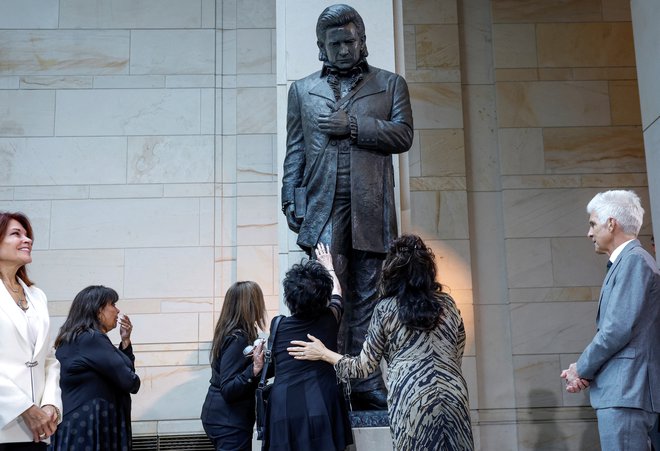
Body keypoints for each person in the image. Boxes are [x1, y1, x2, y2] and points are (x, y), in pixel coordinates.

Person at [281, 3, 414, 410]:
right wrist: (290, 195)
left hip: (370, 207)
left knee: (368, 296)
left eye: (349, 42)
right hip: (322, 206)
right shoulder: (302, 90)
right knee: (326, 292)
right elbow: (296, 150)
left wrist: (354, 126)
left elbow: (403, 134)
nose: (342, 49)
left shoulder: (390, 84)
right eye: (334, 43)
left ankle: (366, 379)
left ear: (363, 42)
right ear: (321, 47)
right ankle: (328, 381)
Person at [288, 235, 474, 450]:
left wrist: (323, 353)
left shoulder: (385, 308)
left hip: (412, 399)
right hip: (454, 394)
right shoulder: (448, 303)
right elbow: (457, 350)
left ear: (392, 271)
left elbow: (363, 367)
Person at [560, 190, 660, 451]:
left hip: (627, 393)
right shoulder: (628, 262)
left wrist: (581, 369)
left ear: (611, 223)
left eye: (593, 224)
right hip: (626, 392)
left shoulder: (634, 262)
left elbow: (615, 330)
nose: (589, 233)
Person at [265, 243, 353, 451]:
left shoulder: (277, 325)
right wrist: (328, 264)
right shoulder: (329, 320)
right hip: (321, 403)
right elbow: (337, 292)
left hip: (283, 409)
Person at [48, 285, 140, 451]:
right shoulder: (91, 339)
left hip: (84, 424)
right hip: (89, 427)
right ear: (97, 310)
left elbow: (124, 374)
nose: (117, 310)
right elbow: (130, 381)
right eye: (112, 304)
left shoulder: (80, 338)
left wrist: (125, 342)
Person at [0, 211, 62, 450]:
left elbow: (48, 359)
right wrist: (23, 407)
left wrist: (50, 405)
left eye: (28, 235)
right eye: (16, 234)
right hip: (6, 423)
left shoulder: (37, 296)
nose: (27, 240)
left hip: (38, 430)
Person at [200, 281, 267, 451]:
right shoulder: (238, 338)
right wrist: (254, 369)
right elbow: (229, 388)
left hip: (223, 417)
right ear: (250, 305)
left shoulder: (231, 332)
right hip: (228, 420)